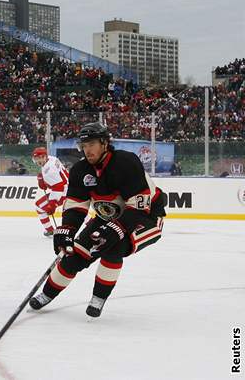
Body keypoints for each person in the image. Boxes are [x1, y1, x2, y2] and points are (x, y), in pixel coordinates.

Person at [29, 123, 167, 318]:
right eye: (84, 146)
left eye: (91, 144)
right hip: (106, 216)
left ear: (104, 143)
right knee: (74, 255)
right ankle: (46, 294)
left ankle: (98, 298)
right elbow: (76, 205)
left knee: (114, 247)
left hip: (146, 216)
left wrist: (117, 228)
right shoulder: (80, 170)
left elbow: (138, 206)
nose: (87, 150)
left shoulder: (126, 162)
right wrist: (66, 230)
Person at [31, 147, 69, 237]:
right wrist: (42, 180)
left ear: (44, 157)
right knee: (77, 211)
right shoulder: (52, 159)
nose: (37, 161)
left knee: (39, 207)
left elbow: (58, 188)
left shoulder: (49, 171)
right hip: (69, 187)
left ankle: (50, 230)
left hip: (64, 192)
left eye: (39, 158)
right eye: (36, 159)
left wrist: (52, 204)